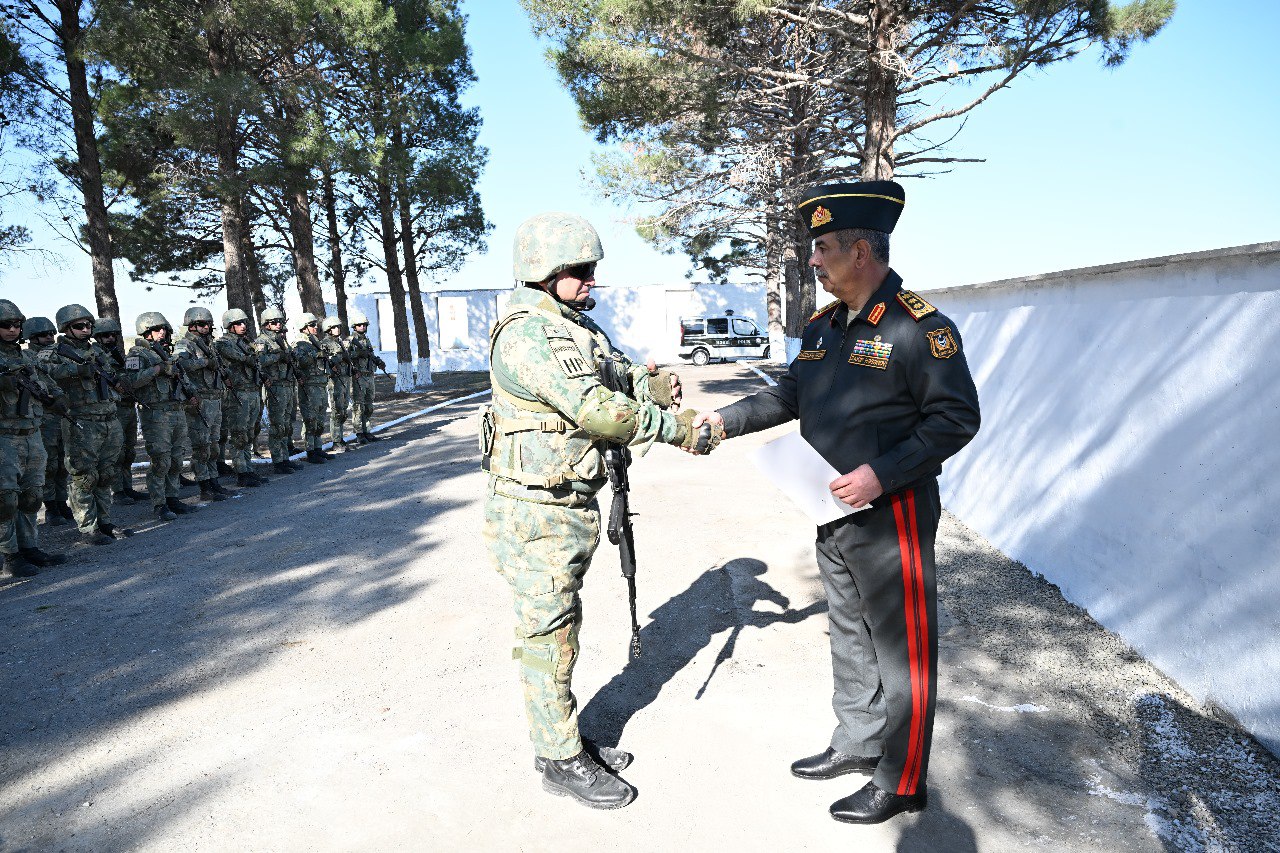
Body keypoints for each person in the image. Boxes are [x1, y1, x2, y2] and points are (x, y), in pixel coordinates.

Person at [697, 181, 981, 824]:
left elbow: (956, 419)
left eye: (822, 249)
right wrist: (718, 423)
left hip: (893, 515)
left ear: (861, 251)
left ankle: (902, 778)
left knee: (901, 650)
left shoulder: (919, 327)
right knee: (849, 633)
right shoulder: (823, 328)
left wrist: (883, 474)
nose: (813, 261)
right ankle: (856, 744)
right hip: (829, 510)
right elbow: (787, 397)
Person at [481, 212, 720, 810]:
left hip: (565, 504)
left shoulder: (570, 329)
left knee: (564, 628)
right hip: (536, 513)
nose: (593, 282)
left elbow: (611, 372)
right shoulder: (528, 334)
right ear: (547, 273)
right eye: (582, 271)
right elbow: (595, 409)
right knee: (547, 636)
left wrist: (648, 380)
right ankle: (558, 758)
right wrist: (675, 429)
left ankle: (561, 738)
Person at [36, 304, 127, 545]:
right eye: (80, 326)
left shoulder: (97, 351)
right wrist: (76, 370)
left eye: (89, 325)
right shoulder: (52, 352)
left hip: (108, 418)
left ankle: (105, 522)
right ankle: (88, 528)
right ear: (66, 328)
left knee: (106, 474)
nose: (86, 329)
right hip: (81, 422)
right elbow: (41, 372)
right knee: (84, 477)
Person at [0, 300, 69, 576]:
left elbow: (49, 385)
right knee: (5, 500)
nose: (13, 329)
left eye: (17, 325)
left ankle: (29, 547)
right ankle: (9, 555)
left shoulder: (27, 358)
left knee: (31, 495)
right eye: (6, 325)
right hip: (4, 437)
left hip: (32, 434)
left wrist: (59, 398)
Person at [124, 312, 199, 522]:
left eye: (164, 328)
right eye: (157, 329)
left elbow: (182, 377)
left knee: (176, 459)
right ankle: (160, 503)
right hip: (155, 414)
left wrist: (192, 394)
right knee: (161, 460)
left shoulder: (168, 353)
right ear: (146, 332)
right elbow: (131, 382)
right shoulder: (137, 354)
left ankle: (172, 497)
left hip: (176, 410)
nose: (162, 332)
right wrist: (157, 369)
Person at [173, 307, 233, 503]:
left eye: (208, 324)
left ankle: (214, 481)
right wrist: (205, 362)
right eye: (201, 324)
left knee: (214, 445)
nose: (206, 327)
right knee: (202, 446)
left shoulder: (209, 344)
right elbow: (180, 365)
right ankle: (204, 485)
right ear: (191, 325)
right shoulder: (185, 344)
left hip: (214, 398)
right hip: (199, 400)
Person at [23, 316, 74, 525]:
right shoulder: (29, 357)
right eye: (44, 335)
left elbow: (52, 381)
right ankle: (51, 505)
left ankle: (62, 502)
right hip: (42, 419)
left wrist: (59, 396)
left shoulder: (55, 354)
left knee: (62, 463)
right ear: (32, 338)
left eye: (51, 333)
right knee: (49, 465)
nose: (49, 338)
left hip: (60, 415)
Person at [94, 318, 147, 504]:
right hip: (114, 409)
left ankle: (127, 487)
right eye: (105, 336)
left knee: (129, 451)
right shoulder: (98, 358)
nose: (110, 339)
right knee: (116, 453)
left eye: (113, 335)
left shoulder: (119, 356)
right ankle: (118, 491)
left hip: (128, 407)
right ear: (97, 338)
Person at [214, 309, 268, 488]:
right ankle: (241, 472)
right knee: (239, 434)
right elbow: (241, 358)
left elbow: (255, 360)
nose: (243, 326)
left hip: (252, 390)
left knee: (250, 432)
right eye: (238, 324)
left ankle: (248, 468)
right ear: (229, 326)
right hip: (237, 393)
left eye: (244, 323)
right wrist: (251, 357)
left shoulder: (245, 343)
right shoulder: (224, 343)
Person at [254, 308, 301, 476]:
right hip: (275, 387)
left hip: (287, 385)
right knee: (277, 425)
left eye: (280, 322)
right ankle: (278, 461)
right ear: (266, 324)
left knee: (286, 424)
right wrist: (278, 357)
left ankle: (285, 458)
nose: (278, 324)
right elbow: (259, 361)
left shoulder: (282, 340)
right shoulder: (262, 341)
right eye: (274, 322)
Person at [292, 313, 332, 465]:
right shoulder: (299, 343)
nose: (316, 328)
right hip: (309, 385)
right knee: (310, 419)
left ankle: (317, 447)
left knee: (320, 419)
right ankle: (310, 451)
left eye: (315, 325)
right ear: (304, 328)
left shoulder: (314, 341)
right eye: (312, 325)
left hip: (320, 383)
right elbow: (301, 362)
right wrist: (316, 355)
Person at [347, 309, 384, 443]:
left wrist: (378, 361)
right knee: (358, 406)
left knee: (369, 406)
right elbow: (345, 358)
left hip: (369, 376)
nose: (362, 327)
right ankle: (359, 433)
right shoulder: (350, 341)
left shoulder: (366, 340)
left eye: (364, 325)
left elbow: (370, 355)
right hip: (358, 377)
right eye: (359, 325)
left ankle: (367, 430)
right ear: (354, 326)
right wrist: (357, 354)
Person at [319, 316, 352, 452]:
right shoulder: (324, 344)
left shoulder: (340, 342)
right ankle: (336, 440)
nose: (337, 329)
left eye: (338, 326)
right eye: (334, 327)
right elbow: (322, 364)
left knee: (343, 411)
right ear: (328, 329)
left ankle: (340, 437)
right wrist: (338, 358)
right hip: (335, 381)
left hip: (345, 379)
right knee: (337, 411)